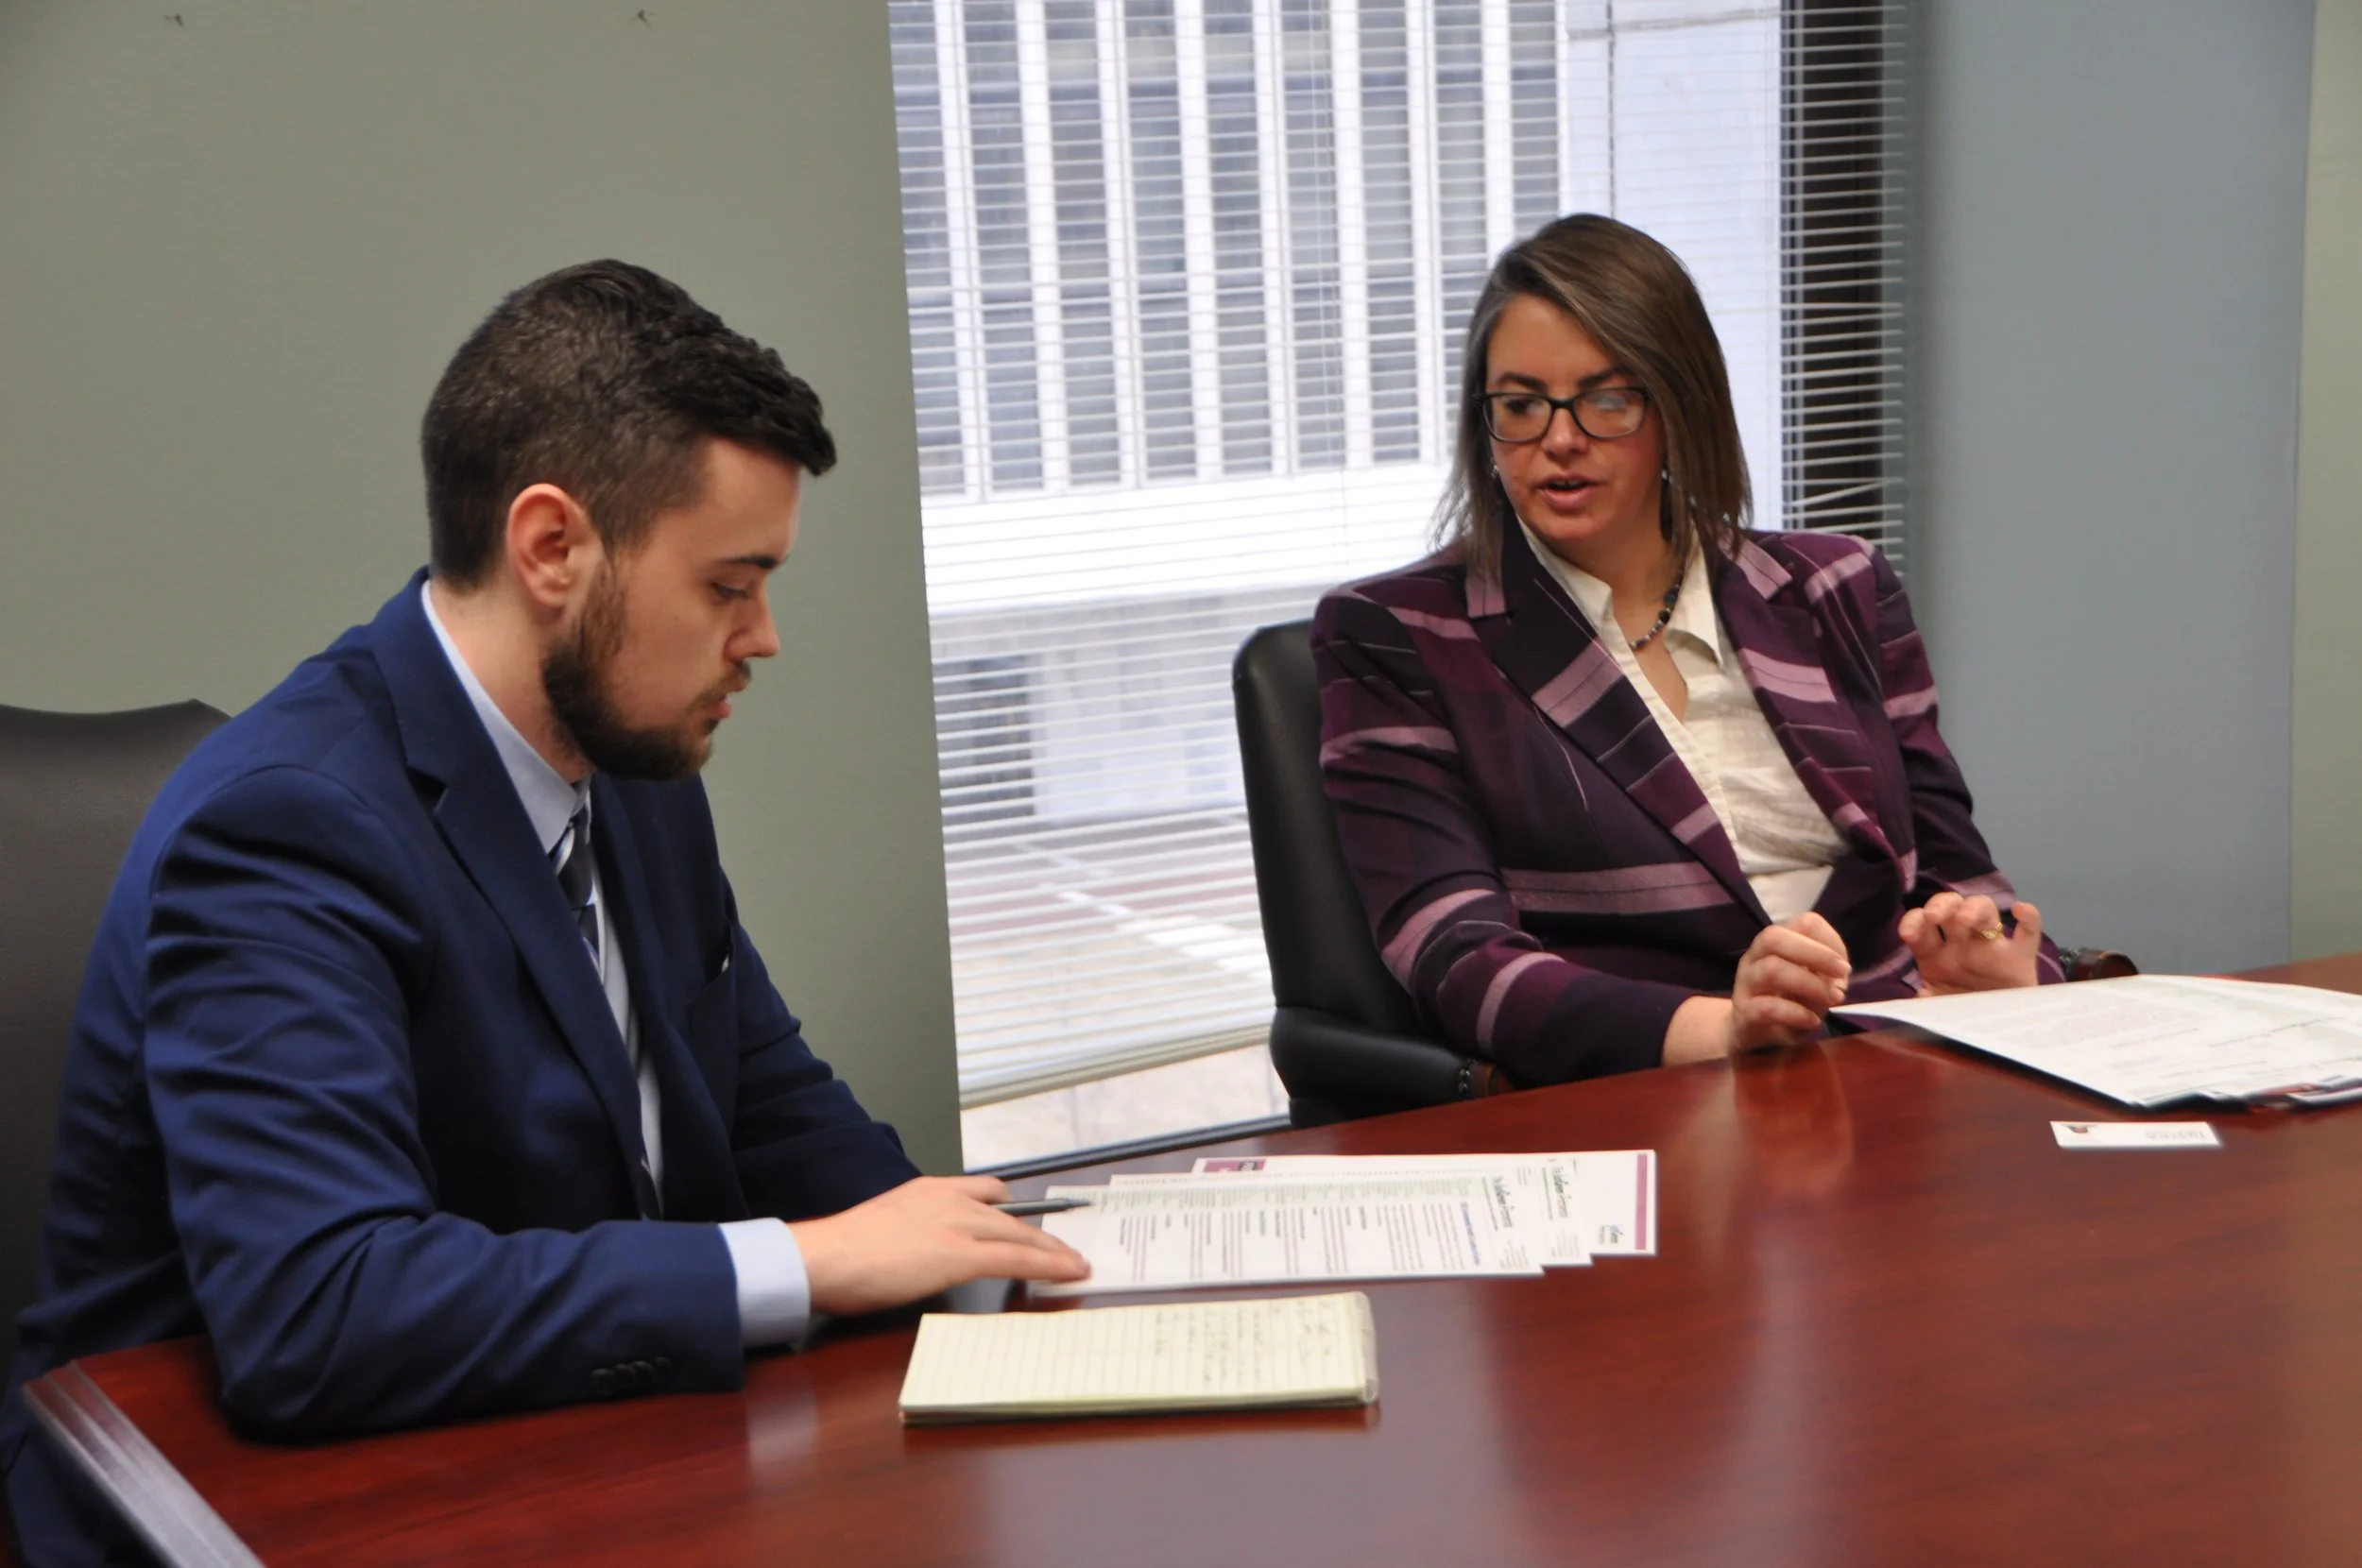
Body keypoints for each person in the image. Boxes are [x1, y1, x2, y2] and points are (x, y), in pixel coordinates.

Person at [2, 260, 1087, 1566]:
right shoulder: (288, 826)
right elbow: (319, 1314)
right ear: (554, 548)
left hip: (554, 1448)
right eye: (728, 586)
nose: (764, 638)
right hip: (239, 1505)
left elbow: (764, 1097)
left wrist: (988, 1256)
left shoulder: (625, 765)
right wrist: (810, 1264)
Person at [1312, 214, 2056, 1089]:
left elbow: (1957, 874)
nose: (1559, 439)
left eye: (1607, 399)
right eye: (1520, 405)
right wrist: (1724, 1028)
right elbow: (1456, 958)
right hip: (1656, 1093)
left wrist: (2004, 972)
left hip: (1901, 1069)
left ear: (1679, 404)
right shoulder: (1398, 632)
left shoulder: (1836, 587)